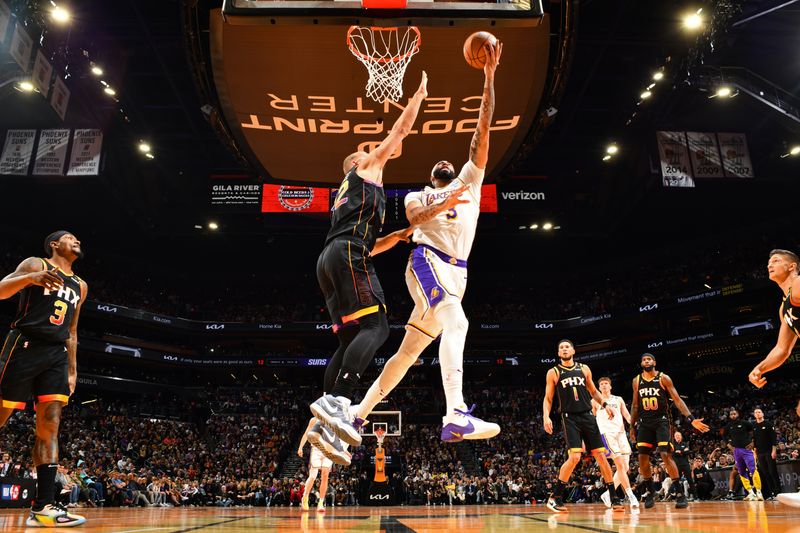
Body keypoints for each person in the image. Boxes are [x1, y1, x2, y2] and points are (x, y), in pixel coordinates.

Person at [350, 40, 504, 443]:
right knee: (459, 322)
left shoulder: (469, 180)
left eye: (448, 165)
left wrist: (489, 76)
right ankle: (456, 411)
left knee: (407, 353)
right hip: (427, 261)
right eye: (438, 166)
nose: (443, 163)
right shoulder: (419, 194)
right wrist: (446, 201)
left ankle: (358, 414)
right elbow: (416, 219)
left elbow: (481, 130)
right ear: (432, 175)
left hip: (458, 273)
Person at [308, 72, 429, 464]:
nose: (374, 151)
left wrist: (394, 237)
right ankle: (342, 401)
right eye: (366, 151)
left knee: (348, 339)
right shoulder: (363, 171)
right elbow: (400, 132)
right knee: (377, 326)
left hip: (331, 258)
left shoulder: (347, 193)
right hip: (344, 255)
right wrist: (418, 97)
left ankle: (324, 416)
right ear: (357, 163)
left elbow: (365, 245)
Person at [0, 231, 88, 527]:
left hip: (57, 355)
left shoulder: (80, 285)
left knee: (50, 425)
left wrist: (72, 370)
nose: (77, 241)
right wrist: (29, 280)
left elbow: (73, 331)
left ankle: (44, 507)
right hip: (25, 344)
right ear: (54, 244)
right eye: (70, 237)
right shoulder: (35, 263)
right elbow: (1, 290)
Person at [542, 340, 624, 512]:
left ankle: (613, 497)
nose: (564, 349)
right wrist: (546, 416)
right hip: (569, 417)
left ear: (573, 350)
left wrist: (605, 404)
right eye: (561, 348)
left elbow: (594, 391)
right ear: (558, 353)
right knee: (575, 457)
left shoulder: (584, 368)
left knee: (601, 457)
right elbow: (548, 398)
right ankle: (555, 497)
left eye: (567, 347)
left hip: (587, 415)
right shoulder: (554, 372)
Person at [630, 353, 709, 510]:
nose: (646, 361)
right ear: (641, 363)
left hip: (662, 421)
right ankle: (650, 491)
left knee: (665, 454)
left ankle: (679, 493)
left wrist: (691, 418)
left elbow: (677, 399)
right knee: (642, 458)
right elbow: (635, 405)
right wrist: (631, 426)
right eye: (644, 359)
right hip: (645, 423)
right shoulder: (636, 380)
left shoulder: (663, 378)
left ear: (654, 362)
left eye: (649, 359)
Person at [749, 249, 799, 392]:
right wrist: (759, 368)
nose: (769, 265)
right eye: (769, 263)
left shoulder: (798, 284)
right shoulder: (784, 307)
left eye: (776, 261)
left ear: (791, 267)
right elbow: (782, 349)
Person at [590, 376, 638, 508]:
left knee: (626, 467)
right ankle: (631, 495)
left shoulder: (619, 399)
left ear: (610, 386)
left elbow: (627, 416)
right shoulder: (594, 401)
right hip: (607, 434)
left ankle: (606, 494)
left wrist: (634, 423)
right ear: (599, 388)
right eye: (602, 384)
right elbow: (593, 419)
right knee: (620, 465)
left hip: (621, 434)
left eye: (606, 384)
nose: (604, 386)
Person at [723, 408, 762, 501]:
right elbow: (724, 436)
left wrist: (753, 442)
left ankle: (759, 492)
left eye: (734, 413)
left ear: (738, 414)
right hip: (736, 451)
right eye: (731, 414)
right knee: (741, 471)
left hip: (747, 450)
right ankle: (751, 493)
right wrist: (728, 445)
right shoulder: (728, 426)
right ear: (729, 416)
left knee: (753, 470)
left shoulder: (745, 423)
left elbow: (755, 430)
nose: (733, 415)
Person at [297, 417, 331, 513]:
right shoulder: (314, 420)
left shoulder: (333, 419)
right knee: (313, 476)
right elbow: (306, 434)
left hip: (328, 450)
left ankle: (321, 502)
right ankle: (305, 496)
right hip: (316, 449)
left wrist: (343, 450)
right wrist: (300, 447)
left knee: (325, 476)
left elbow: (337, 438)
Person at [753, 407, 781, 500]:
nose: (758, 413)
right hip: (760, 453)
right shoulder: (754, 426)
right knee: (765, 473)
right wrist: (755, 454)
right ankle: (772, 493)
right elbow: (755, 442)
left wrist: (774, 451)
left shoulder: (768, 424)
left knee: (773, 471)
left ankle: (778, 492)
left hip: (769, 451)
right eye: (756, 412)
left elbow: (773, 439)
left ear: (762, 414)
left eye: (759, 412)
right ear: (754, 415)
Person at [673, 431, 695, 500]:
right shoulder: (673, 445)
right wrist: (682, 451)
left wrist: (679, 452)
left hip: (685, 464)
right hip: (677, 465)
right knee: (677, 481)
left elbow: (687, 452)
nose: (677, 437)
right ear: (674, 437)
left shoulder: (685, 444)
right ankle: (679, 495)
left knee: (690, 480)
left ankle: (693, 495)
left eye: (679, 435)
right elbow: (673, 454)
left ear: (681, 436)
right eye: (676, 436)